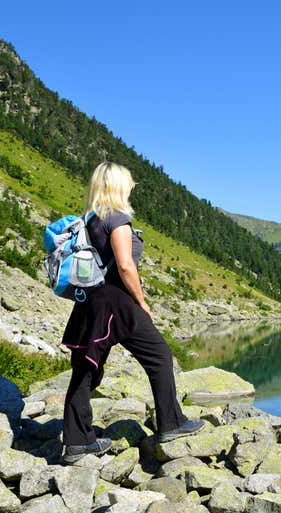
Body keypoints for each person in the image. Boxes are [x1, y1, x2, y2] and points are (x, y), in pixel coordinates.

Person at [60, 161, 203, 464]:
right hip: (118, 303)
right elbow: (125, 265)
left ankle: (76, 441)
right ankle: (171, 423)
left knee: (85, 370)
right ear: (117, 186)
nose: (131, 188)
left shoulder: (90, 219)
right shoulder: (118, 218)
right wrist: (141, 301)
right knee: (160, 356)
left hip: (90, 303)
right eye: (128, 183)